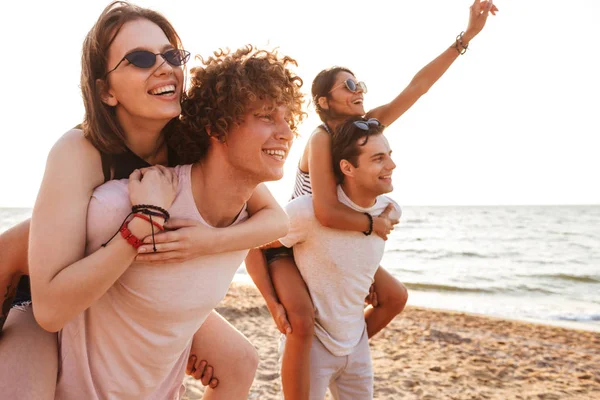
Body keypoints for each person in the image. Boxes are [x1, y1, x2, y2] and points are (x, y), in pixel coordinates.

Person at [0, 2, 295, 398]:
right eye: (140, 59)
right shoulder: (82, 152)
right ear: (105, 90)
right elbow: (42, 292)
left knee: (239, 360)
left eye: (171, 55)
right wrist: (144, 221)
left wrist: (204, 241)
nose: (164, 67)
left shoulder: (190, 141)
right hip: (37, 292)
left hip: (115, 290)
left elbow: (276, 220)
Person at [246, 0, 499, 398]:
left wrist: (465, 37)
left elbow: (418, 87)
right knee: (302, 318)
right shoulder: (321, 138)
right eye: (348, 85)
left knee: (394, 296)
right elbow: (326, 211)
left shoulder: (361, 129)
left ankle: (343, 350)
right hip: (293, 245)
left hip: (335, 241)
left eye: (359, 83)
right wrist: (372, 225)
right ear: (325, 101)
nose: (359, 89)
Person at [269, 117, 399, 399]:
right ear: (347, 167)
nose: (391, 165)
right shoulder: (305, 212)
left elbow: (354, 255)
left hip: (356, 342)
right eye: (378, 159)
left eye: (389, 156)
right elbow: (256, 246)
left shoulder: (390, 210)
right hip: (312, 346)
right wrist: (274, 304)